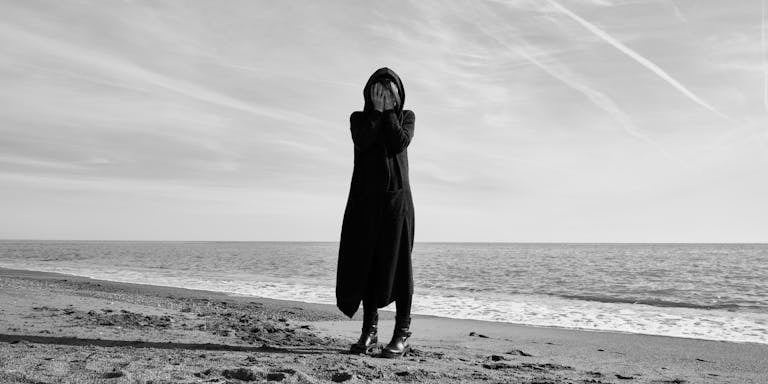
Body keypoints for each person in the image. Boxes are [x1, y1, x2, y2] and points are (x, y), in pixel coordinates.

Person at [336, 67, 416, 358]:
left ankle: (402, 333)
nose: (382, 95)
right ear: (368, 93)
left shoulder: (407, 118)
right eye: (377, 90)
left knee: (401, 267)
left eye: (388, 91)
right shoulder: (359, 119)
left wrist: (389, 112)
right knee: (366, 263)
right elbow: (364, 140)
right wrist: (377, 112)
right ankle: (369, 330)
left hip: (397, 205)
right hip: (364, 203)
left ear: (398, 95)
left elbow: (398, 143)